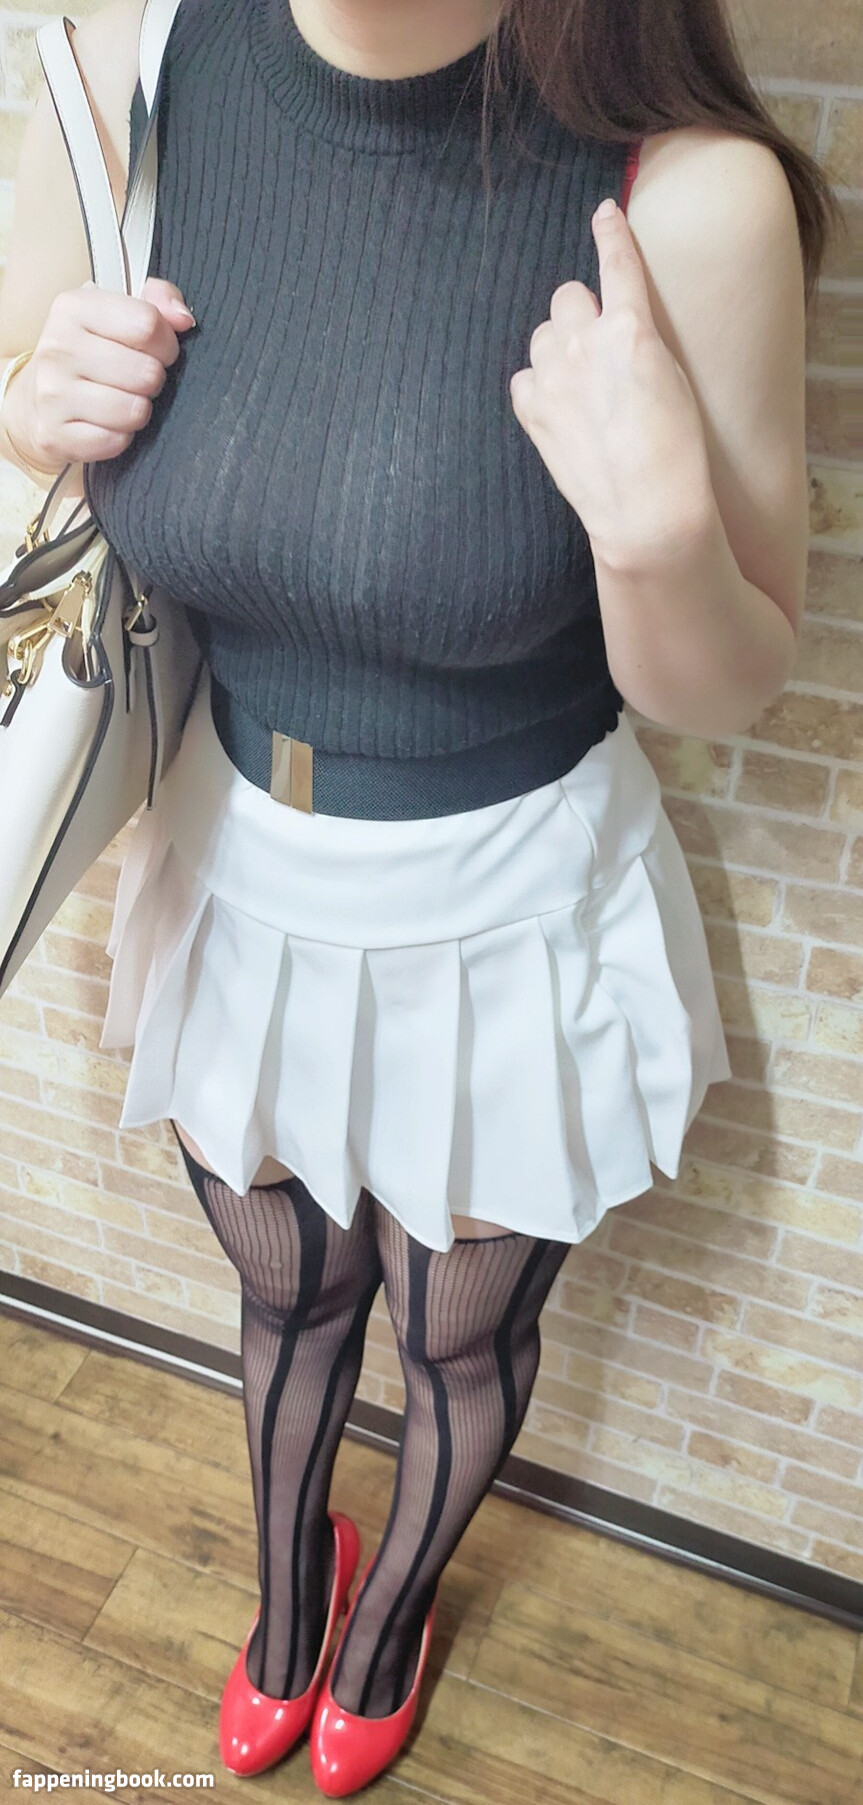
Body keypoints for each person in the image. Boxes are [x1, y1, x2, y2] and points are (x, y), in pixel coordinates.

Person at [0, 0, 835, 1794]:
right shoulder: (141, 58)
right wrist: (26, 403)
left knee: (460, 1330)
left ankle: (387, 1629)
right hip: (235, 866)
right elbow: (35, 425)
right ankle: (289, 1603)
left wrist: (657, 536)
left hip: (510, 903)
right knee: (287, 1289)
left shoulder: (692, 194)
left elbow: (733, 681)